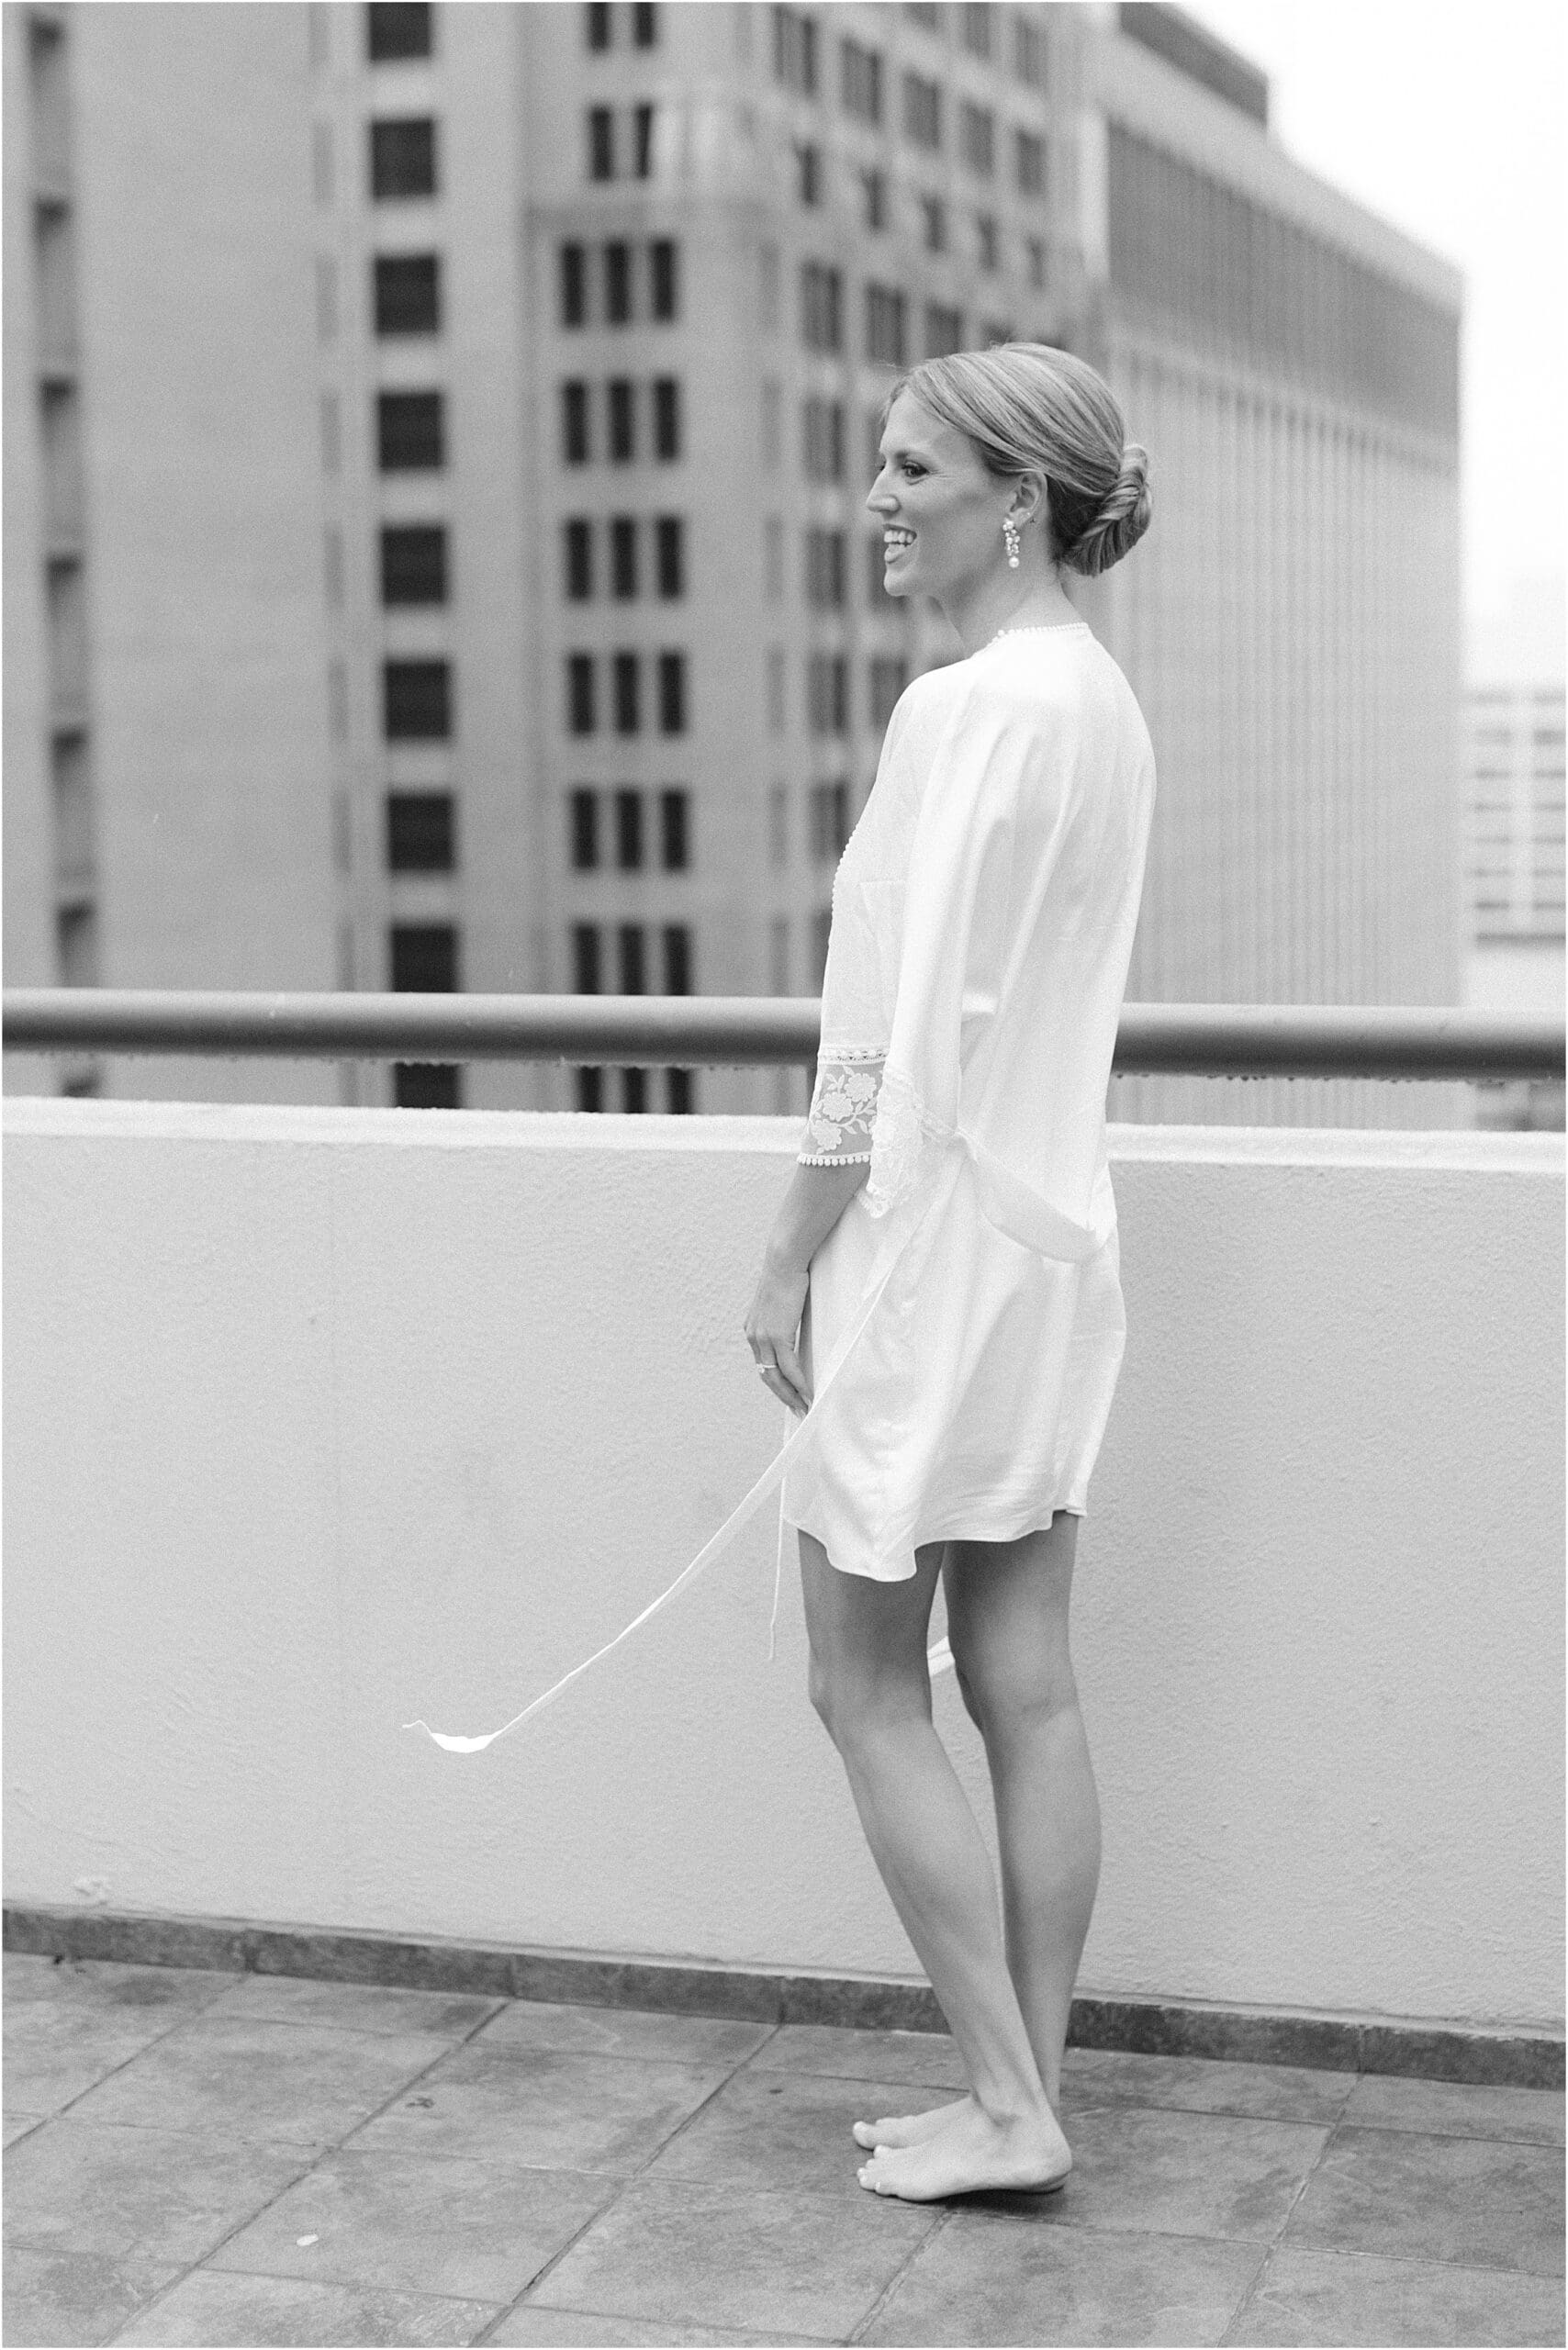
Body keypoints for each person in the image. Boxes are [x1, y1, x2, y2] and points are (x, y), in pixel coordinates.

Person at [743, 342, 1156, 2204]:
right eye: (875, 462)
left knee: (861, 1679)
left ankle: (1003, 2094)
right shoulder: (1101, 705)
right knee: (1024, 1676)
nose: (877, 497)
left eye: (911, 463)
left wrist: (783, 1262)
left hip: (930, 1256)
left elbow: (874, 1052)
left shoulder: (958, 707)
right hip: (1055, 1243)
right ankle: (1025, 2090)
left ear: (1017, 492)